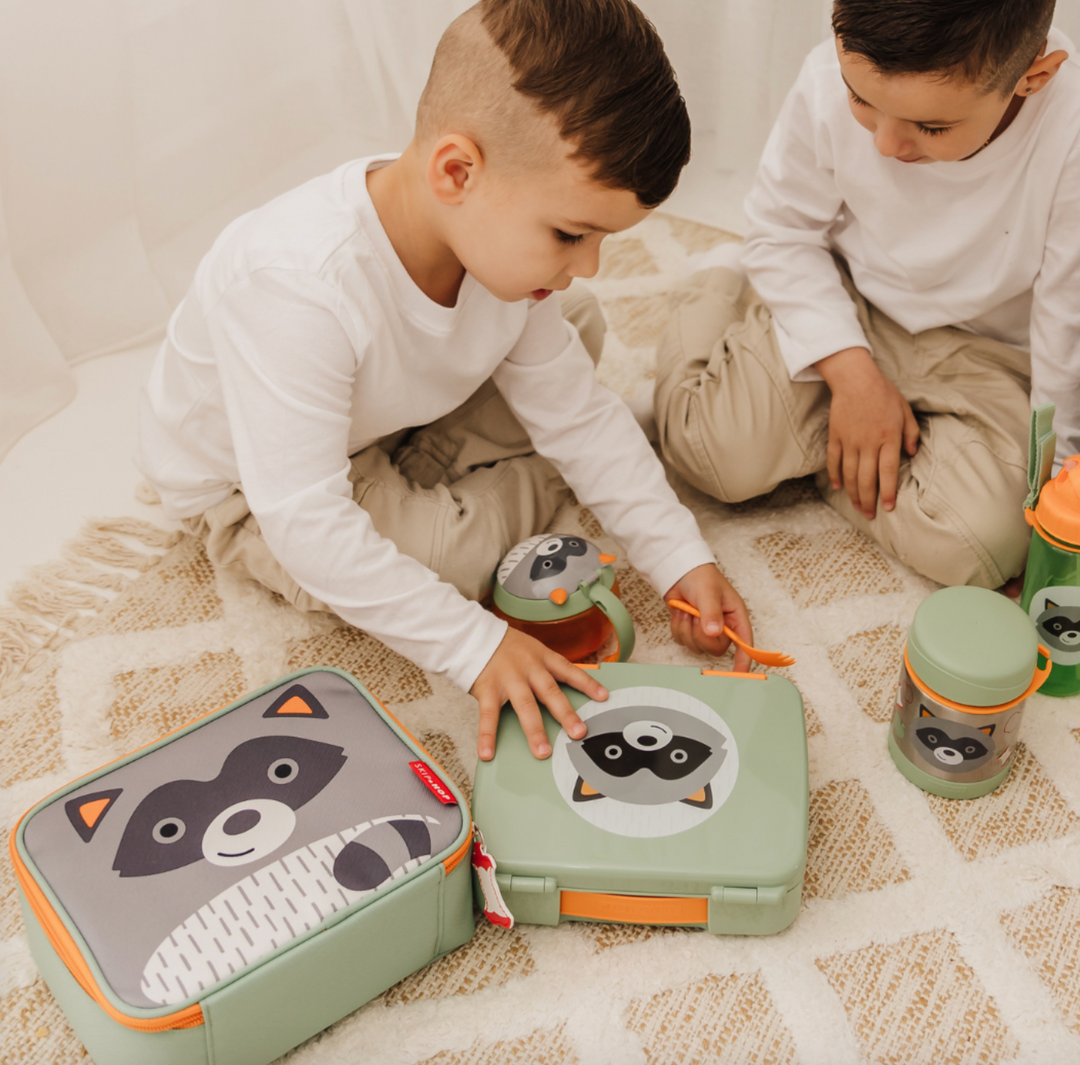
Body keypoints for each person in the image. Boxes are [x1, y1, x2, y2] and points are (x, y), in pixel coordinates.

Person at [137, 0, 754, 763]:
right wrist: (479, 646)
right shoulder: (297, 286)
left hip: (386, 417)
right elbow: (307, 523)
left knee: (577, 321)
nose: (589, 263)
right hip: (250, 494)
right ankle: (523, 479)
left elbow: (579, 415)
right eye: (571, 234)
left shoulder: (484, 232)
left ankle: (483, 470)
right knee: (451, 562)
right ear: (456, 171)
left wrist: (679, 557)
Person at [655, 0, 1079, 593]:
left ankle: (830, 456)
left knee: (987, 547)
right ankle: (721, 283)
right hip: (850, 299)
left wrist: (1059, 488)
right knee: (707, 451)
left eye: (931, 128)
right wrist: (853, 377)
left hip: (989, 352)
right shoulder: (826, 79)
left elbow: (1066, 327)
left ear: (1033, 77)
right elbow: (782, 233)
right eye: (861, 100)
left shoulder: (1070, 137)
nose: (885, 143)